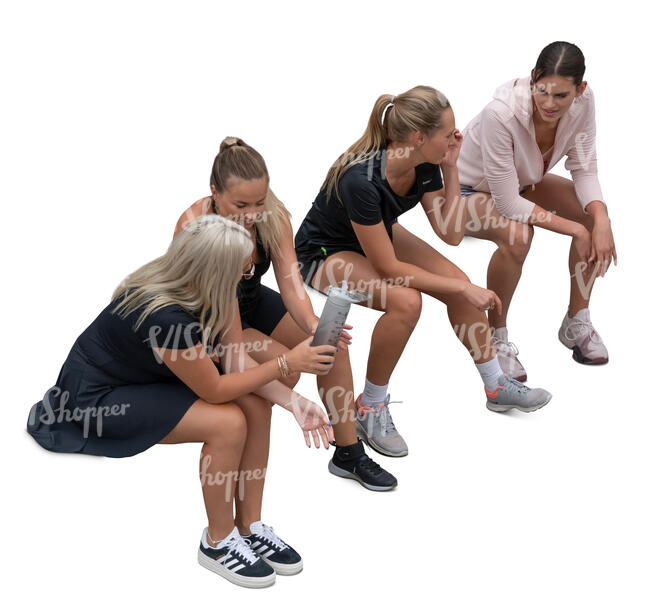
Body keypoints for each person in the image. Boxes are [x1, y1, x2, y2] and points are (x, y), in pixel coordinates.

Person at [27, 214, 339, 588]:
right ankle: (218, 542)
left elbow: (235, 360)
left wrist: (294, 401)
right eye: (243, 267)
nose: (252, 270)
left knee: (256, 404)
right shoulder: (166, 314)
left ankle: (250, 526)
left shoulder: (218, 289)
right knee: (228, 422)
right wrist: (286, 362)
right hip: (99, 396)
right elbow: (216, 391)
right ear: (217, 271)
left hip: (146, 377)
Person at [294, 86, 552, 457]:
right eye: (448, 134)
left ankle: (496, 385)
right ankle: (371, 406)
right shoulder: (361, 180)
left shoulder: (427, 162)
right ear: (418, 137)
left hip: (375, 231)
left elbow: (451, 234)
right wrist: (460, 291)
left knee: (458, 282)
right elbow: (387, 267)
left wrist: (450, 166)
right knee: (406, 302)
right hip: (324, 249)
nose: (457, 137)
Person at [174, 137, 397, 490]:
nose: (251, 214)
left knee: (330, 344)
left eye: (259, 202)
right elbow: (212, 310)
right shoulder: (193, 227)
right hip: (211, 317)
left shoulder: (272, 217)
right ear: (214, 192)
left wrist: (313, 325)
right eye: (240, 204)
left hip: (249, 298)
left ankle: (348, 452)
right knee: (284, 368)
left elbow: (291, 284)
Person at [457, 41, 616, 380]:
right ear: (532, 80)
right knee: (518, 234)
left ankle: (576, 320)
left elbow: (584, 169)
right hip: (464, 192)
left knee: (591, 213)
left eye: (561, 96)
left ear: (580, 89)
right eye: (542, 91)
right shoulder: (500, 113)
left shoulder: (584, 104)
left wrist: (601, 219)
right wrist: (577, 230)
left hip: (522, 182)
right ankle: (496, 339)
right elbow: (508, 204)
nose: (549, 103)